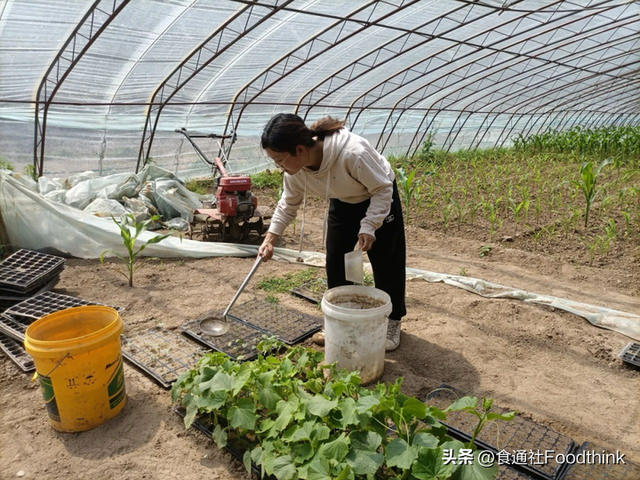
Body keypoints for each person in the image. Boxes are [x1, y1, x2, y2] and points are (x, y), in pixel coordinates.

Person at [257, 113, 406, 351]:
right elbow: (288, 204)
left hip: (377, 194)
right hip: (343, 199)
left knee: (387, 260)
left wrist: (369, 225)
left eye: (279, 160)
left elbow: (382, 189)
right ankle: (341, 320)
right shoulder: (295, 172)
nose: (279, 167)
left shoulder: (352, 153)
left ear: (299, 150)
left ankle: (393, 320)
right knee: (336, 259)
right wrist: (270, 239)